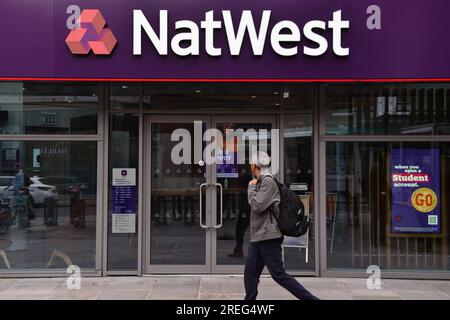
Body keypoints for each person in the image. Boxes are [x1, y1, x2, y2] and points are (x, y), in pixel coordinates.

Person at [244, 151, 318, 300]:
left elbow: (257, 205)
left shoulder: (268, 182)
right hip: (259, 236)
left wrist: (250, 188)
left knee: (279, 275)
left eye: (251, 163)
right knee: (250, 274)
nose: (250, 166)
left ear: (255, 165)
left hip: (268, 237)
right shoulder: (261, 181)